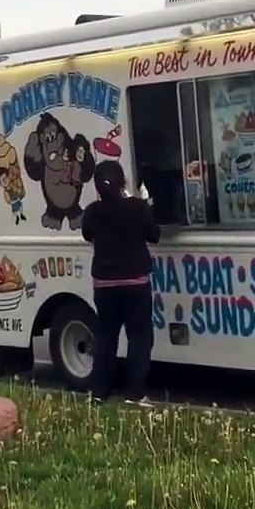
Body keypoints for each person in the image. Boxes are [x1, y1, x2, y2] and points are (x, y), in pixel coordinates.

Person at [81, 160, 160, 405]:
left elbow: (87, 235)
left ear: (97, 189)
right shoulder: (137, 207)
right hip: (135, 283)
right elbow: (154, 236)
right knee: (139, 337)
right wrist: (148, 206)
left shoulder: (92, 211)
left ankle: (98, 392)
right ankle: (134, 393)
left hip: (104, 285)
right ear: (123, 182)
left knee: (106, 337)